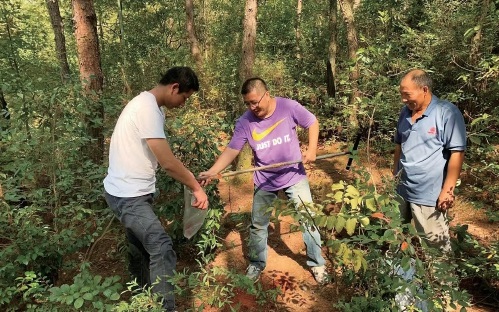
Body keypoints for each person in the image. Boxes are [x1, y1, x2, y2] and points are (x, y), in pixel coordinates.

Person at [198, 77, 327, 283]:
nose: (252, 107)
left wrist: (311, 150)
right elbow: (233, 149)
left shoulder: (288, 107)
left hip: (294, 174)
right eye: (248, 103)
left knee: (308, 219)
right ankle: (256, 264)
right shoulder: (245, 122)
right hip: (265, 179)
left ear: (267, 94)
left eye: (255, 101)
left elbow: (312, 122)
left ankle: (317, 264)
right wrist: (212, 170)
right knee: (258, 225)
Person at [103, 66, 208, 312]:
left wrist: (192, 177)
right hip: (128, 197)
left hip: (128, 193)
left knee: (140, 249)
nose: (184, 103)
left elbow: (161, 157)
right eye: (185, 97)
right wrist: (195, 187)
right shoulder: (147, 109)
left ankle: (143, 300)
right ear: (174, 88)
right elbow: (168, 163)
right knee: (161, 247)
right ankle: (163, 308)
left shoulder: (150, 107)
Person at [393, 69, 466, 253]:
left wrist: (447, 191)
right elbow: (399, 146)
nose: (404, 99)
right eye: (402, 95)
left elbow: (457, 153)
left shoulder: (446, 113)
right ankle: (402, 278)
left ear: (424, 90)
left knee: (436, 249)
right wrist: (393, 176)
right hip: (402, 190)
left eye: (407, 95)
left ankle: (442, 283)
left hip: (428, 195)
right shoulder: (405, 112)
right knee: (397, 238)